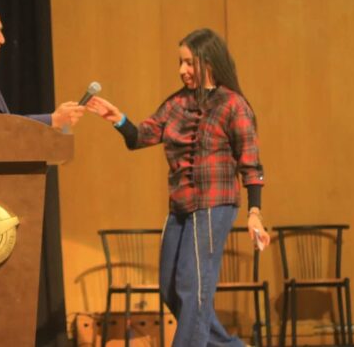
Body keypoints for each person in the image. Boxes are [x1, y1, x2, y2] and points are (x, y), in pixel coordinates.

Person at [86, 28, 270, 347]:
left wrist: (255, 213)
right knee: (171, 289)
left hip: (214, 205)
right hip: (181, 206)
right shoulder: (177, 103)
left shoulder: (233, 104)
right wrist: (118, 120)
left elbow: (251, 163)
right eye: (179, 63)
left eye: (188, 62)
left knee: (191, 287)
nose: (182, 70)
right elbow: (142, 136)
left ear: (208, 62)